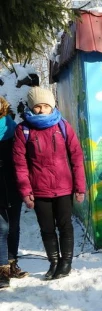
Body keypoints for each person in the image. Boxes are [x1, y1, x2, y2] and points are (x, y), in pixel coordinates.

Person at [13, 87, 86, 280]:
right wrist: (26, 190)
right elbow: (20, 164)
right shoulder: (23, 130)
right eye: (37, 106)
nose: (42, 110)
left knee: (65, 226)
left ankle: (66, 263)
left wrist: (80, 187)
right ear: (31, 107)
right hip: (39, 189)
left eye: (45, 105)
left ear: (52, 105)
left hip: (63, 187)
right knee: (46, 228)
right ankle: (54, 263)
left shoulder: (63, 126)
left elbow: (77, 158)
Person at [0, 97, 28, 289]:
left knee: (14, 227)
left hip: (13, 185)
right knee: (1, 229)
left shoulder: (13, 129)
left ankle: (12, 263)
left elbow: (22, 158)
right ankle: (2, 271)